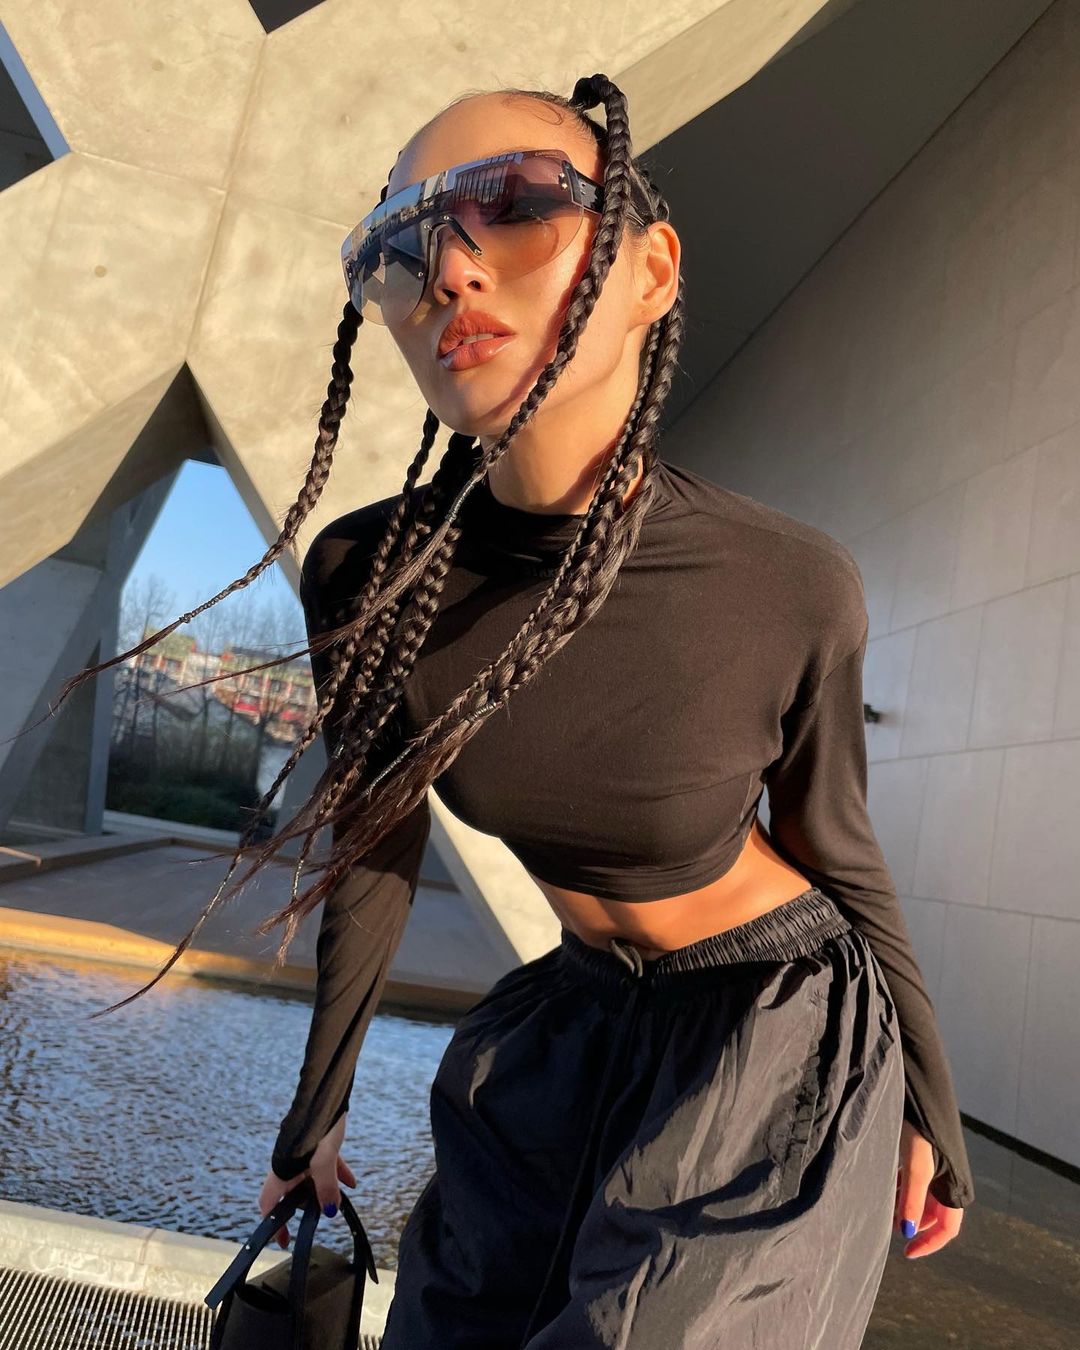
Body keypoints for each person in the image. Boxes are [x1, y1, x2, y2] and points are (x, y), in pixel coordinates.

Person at [43, 72, 973, 1348]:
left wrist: (930, 1103)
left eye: (517, 203)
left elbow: (840, 849)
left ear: (650, 272)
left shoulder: (790, 583)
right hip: (566, 1023)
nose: (448, 270)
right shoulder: (372, 574)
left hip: (768, 1031)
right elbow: (374, 846)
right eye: (398, 246)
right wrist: (311, 1124)